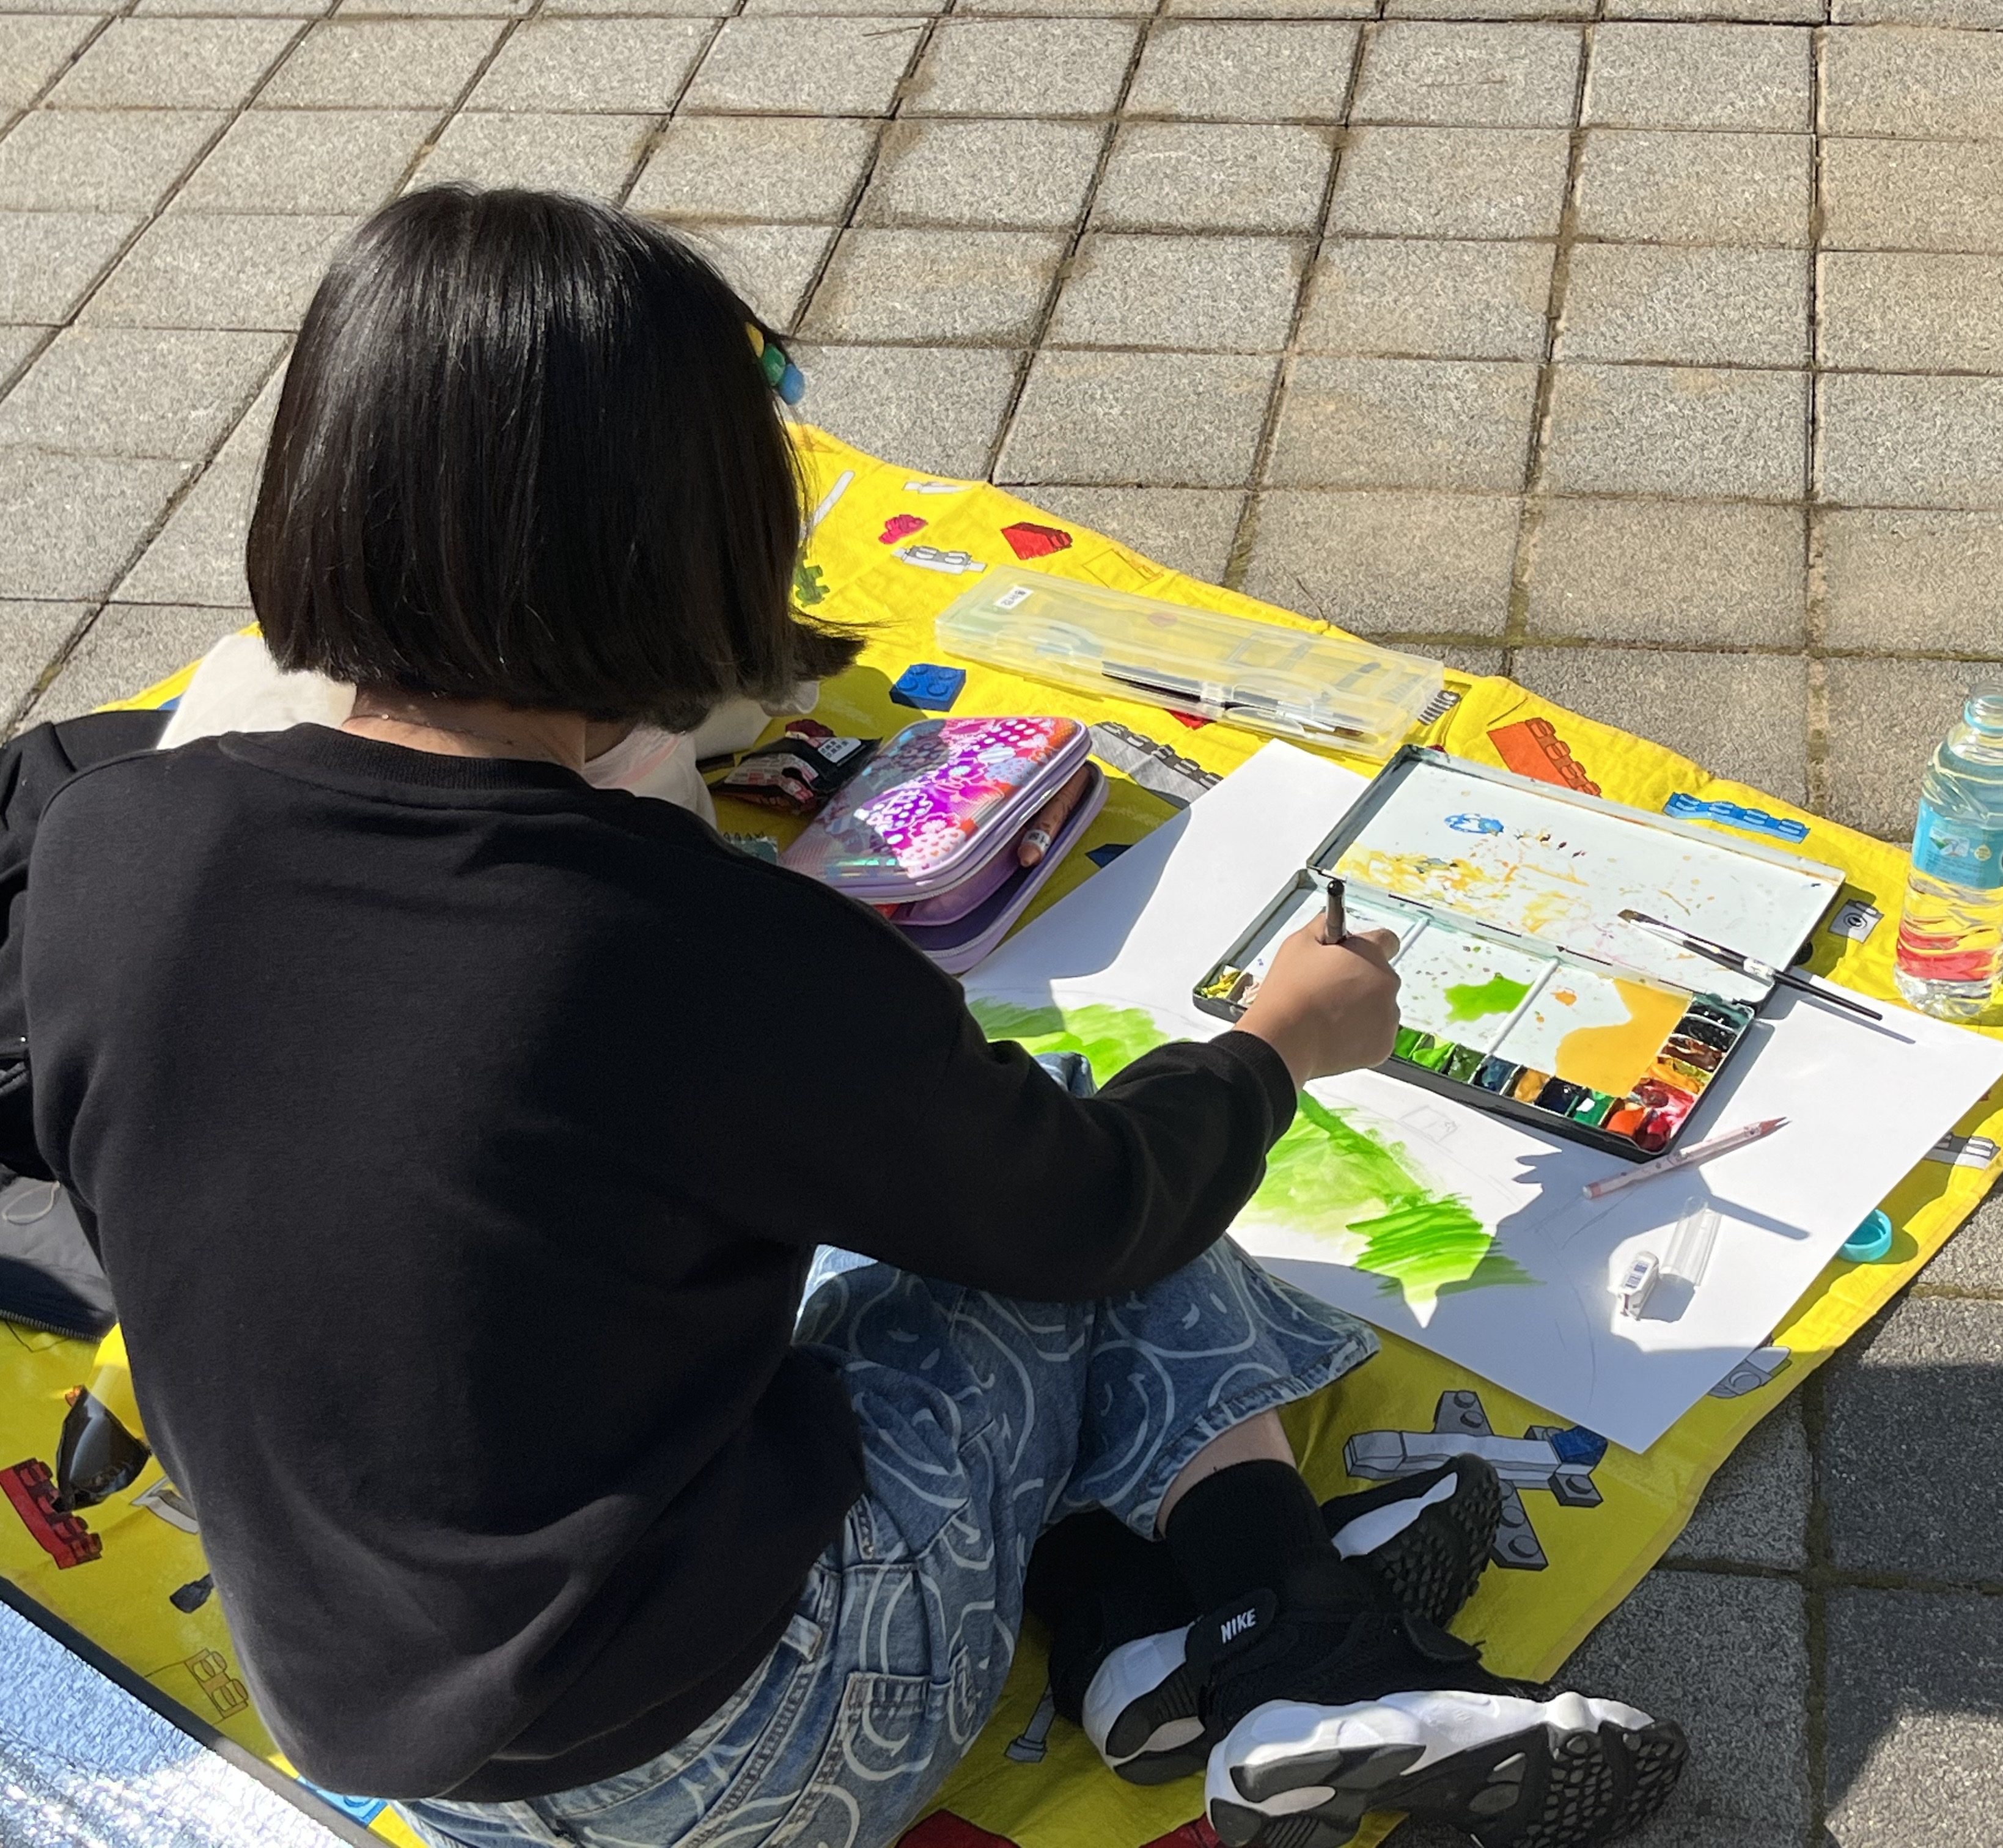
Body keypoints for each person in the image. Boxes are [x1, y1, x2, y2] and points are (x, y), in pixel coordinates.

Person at [22, 188, 1685, 1848]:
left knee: (865, 1220)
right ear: (690, 544)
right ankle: (1301, 1636)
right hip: (748, 1756)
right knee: (1094, 1169)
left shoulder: (113, 843)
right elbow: (1093, 1211)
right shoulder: (701, 943)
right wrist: (1278, 1045)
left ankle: (1132, 1636)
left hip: (373, 1726)